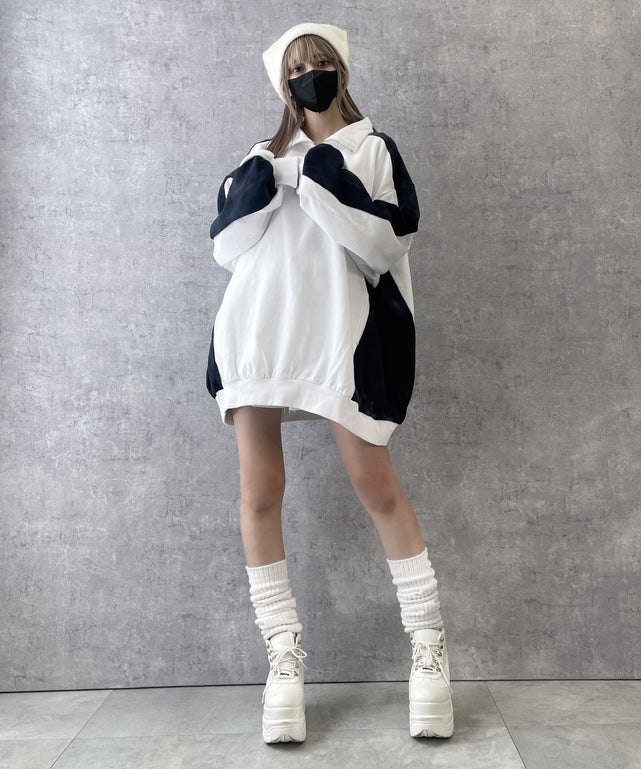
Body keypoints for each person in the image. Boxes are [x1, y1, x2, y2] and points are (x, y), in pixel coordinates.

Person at [206, 22, 453, 743]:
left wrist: (322, 179)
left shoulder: (372, 151)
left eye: (319, 62)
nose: (308, 75)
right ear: (279, 83)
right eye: (294, 68)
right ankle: (283, 661)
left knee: (375, 484)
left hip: (340, 336)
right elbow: (227, 247)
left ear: (341, 68)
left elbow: (386, 242)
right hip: (258, 333)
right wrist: (269, 177)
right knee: (259, 492)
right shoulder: (258, 159)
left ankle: (429, 651)